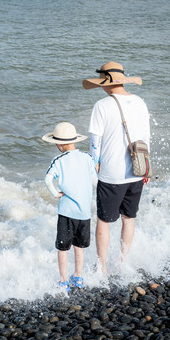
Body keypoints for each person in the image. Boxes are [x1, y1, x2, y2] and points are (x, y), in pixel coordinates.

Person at [82, 61, 150, 274]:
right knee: (128, 218)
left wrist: (94, 166)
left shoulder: (102, 106)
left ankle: (101, 267)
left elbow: (95, 142)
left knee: (104, 221)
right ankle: (121, 263)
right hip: (137, 170)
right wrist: (146, 168)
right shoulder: (140, 102)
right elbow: (146, 138)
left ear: (105, 82)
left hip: (111, 174)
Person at [42, 122, 97, 292]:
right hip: (84, 212)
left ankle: (63, 280)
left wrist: (55, 194)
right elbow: (95, 179)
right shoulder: (87, 158)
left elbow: (47, 180)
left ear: (59, 144)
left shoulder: (59, 160)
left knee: (63, 247)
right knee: (79, 246)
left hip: (66, 211)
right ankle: (78, 277)